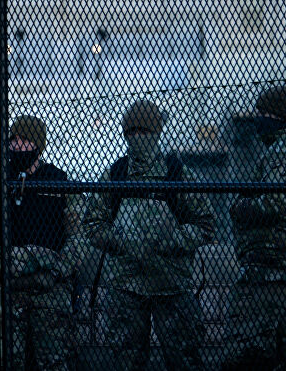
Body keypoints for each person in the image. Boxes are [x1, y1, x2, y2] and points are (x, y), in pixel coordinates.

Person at [83, 99, 214, 371]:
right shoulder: (116, 174)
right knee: (127, 361)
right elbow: (93, 224)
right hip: (126, 284)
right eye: (131, 132)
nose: (137, 138)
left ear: (157, 133)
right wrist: (120, 239)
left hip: (172, 284)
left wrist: (173, 239)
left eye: (144, 132)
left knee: (185, 360)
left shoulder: (176, 173)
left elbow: (205, 224)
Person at [0, 115, 85, 370]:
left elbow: (80, 237)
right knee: (2, 359)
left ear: (38, 144)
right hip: (7, 287)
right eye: (12, 139)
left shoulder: (59, 182)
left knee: (55, 362)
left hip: (51, 289)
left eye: (24, 140)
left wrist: (51, 265)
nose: (15, 145)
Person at [222, 85, 286, 370]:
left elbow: (274, 203)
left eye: (263, 113)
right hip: (273, 261)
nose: (258, 120)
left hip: (271, 261)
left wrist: (240, 207)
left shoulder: (278, 152)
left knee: (245, 345)